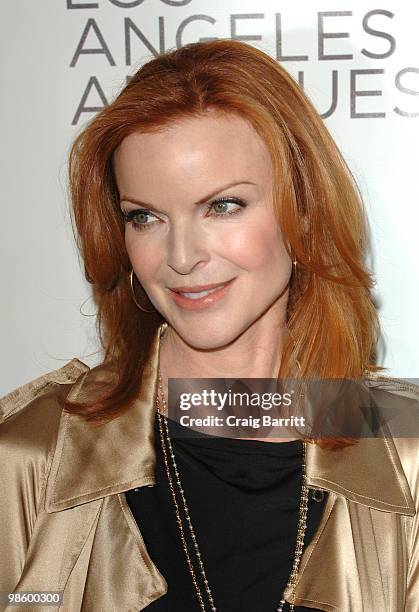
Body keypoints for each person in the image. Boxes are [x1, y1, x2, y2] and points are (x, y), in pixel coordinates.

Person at [0, 39, 418, 612]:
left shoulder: (406, 450)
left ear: (306, 209)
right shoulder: (30, 454)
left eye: (222, 206)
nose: (180, 257)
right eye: (144, 217)